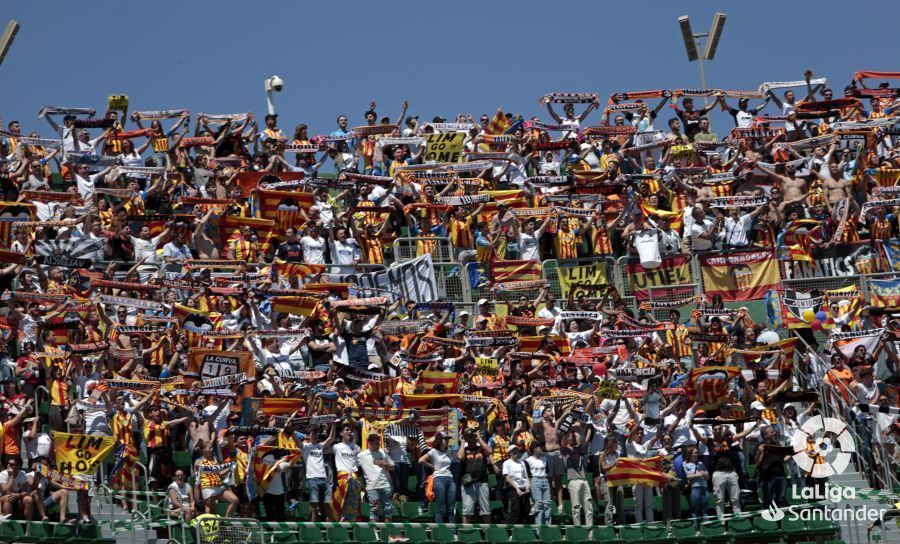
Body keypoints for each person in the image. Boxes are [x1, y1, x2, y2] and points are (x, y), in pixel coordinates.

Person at [419, 430, 455, 524]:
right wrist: (433, 467)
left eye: (447, 439)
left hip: (450, 478)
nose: (447, 441)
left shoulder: (449, 451)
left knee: (451, 508)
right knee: (439, 507)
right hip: (439, 478)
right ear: (439, 440)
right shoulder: (434, 451)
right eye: (445, 439)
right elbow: (421, 460)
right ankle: (439, 532)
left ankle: (453, 533)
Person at [358, 433, 394, 522]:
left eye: (378, 443)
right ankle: (374, 533)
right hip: (372, 487)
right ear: (369, 443)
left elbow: (392, 467)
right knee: (374, 509)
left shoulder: (383, 452)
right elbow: (352, 467)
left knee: (388, 509)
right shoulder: (361, 455)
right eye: (376, 444)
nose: (378, 445)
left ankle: (387, 531)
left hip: (385, 485)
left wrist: (384, 464)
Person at [501, 444, 530, 524]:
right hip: (513, 489)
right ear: (509, 453)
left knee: (525, 510)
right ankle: (511, 528)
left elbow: (526, 476)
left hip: (524, 488)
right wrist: (517, 488)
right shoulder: (506, 463)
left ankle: (523, 530)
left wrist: (528, 486)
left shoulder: (522, 462)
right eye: (513, 451)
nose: (515, 452)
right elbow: (507, 477)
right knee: (516, 510)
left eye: (516, 450)